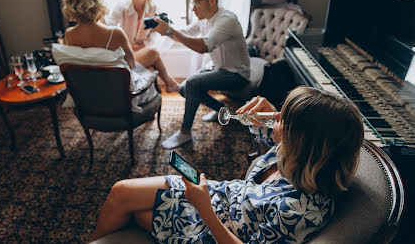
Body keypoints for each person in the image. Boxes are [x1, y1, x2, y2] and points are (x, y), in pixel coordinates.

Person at [89, 86, 364, 243]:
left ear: (306, 143)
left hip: (215, 228)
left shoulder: (298, 211)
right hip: (221, 197)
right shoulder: (297, 155)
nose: (276, 117)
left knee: (137, 213)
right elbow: (267, 129)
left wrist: (204, 208)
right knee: (121, 191)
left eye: (284, 118)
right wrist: (267, 112)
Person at [152, 0, 251, 149]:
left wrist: (171, 31)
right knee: (184, 88)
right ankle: (222, 110)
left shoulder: (227, 19)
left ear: (212, 0)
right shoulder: (205, 20)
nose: (193, 9)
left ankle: (185, 133)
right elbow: (185, 33)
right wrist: (167, 30)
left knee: (192, 84)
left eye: (196, 3)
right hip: (219, 67)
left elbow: (203, 47)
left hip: (237, 74)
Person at [54, 0, 158, 112]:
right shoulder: (115, 33)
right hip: (120, 102)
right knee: (149, 69)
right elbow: (131, 67)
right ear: (98, 1)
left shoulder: (69, 35)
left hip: (90, 103)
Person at [105, 0, 179, 93]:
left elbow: (158, 35)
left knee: (152, 55)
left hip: (141, 51)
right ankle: (170, 82)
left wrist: (144, 45)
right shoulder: (122, 6)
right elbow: (108, 26)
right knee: (153, 54)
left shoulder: (154, 10)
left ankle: (169, 83)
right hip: (125, 53)